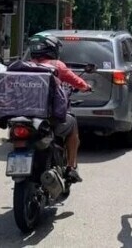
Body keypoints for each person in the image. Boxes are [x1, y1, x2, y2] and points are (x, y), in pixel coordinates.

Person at [28, 33, 91, 183]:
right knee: (72, 123)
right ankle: (71, 168)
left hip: (23, 117)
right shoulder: (57, 65)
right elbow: (78, 82)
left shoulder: (25, 65)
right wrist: (87, 87)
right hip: (49, 118)